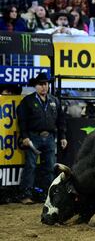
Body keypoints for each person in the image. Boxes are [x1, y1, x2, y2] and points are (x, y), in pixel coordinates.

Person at [17, 73, 67, 204]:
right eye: (41, 84)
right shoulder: (27, 101)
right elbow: (22, 121)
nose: (44, 87)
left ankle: (47, 194)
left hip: (49, 137)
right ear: (35, 86)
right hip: (33, 136)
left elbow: (61, 120)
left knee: (50, 167)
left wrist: (62, 136)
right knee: (31, 165)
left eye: (46, 84)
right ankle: (25, 194)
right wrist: (25, 136)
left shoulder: (54, 101)